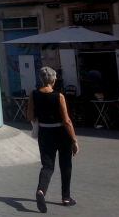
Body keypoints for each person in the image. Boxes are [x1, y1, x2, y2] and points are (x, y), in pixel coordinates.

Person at [26, 66, 79, 213]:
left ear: (42, 79)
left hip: (44, 133)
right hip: (61, 133)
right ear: (53, 80)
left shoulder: (33, 94)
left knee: (47, 166)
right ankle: (66, 198)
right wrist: (74, 140)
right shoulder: (59, 96)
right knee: (65, 165)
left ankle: (41, 191)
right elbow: (67, 121)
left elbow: (29, 116)